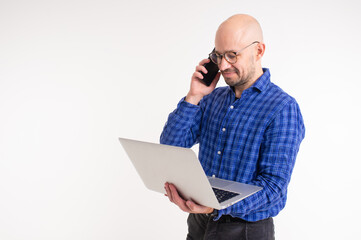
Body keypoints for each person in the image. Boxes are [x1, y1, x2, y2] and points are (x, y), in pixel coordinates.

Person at [160, 14, 305, 240]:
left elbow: (273, 188)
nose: (223, 65)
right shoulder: (211, 99)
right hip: (200, 223)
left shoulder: (282, 108)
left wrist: (216, 206)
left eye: (232, 55)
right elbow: (170, 147)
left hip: (245, 230)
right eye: (218, 56)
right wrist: (194, 96)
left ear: (259, 51)